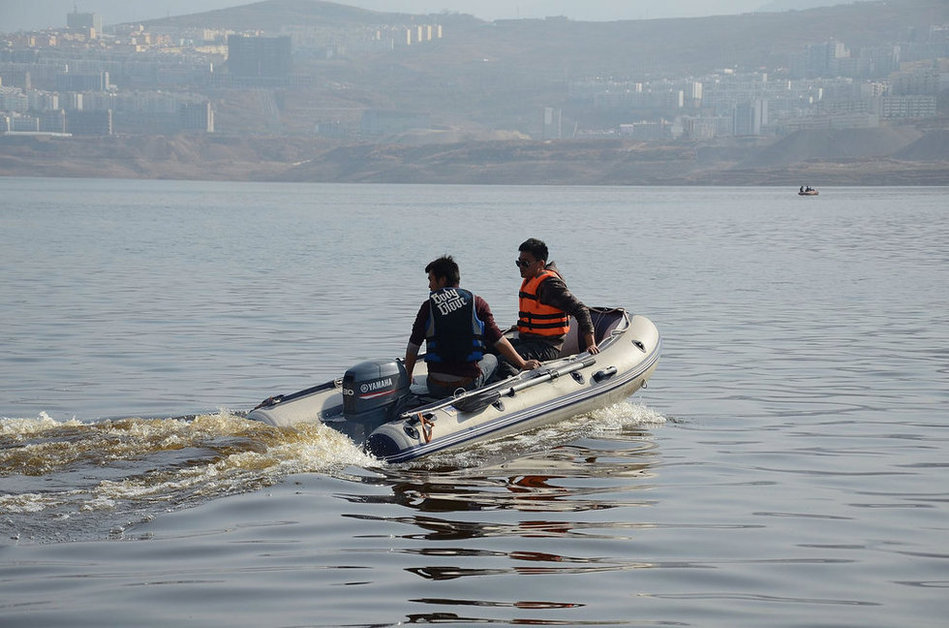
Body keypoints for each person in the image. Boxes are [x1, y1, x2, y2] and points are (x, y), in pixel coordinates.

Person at [404, 255, 540, 398]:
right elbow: (498, 340)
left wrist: (408, 376)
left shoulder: (428, 306)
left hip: (436, 386)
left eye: (431, 280)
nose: (429, 285)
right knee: (492, 358)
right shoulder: (478, 303)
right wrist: (523, 363)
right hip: (467, 384)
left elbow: (413, 346)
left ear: (442, 279)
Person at [501, 238, 599, 375]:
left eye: (525, 263)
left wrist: (590, 344)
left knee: (504, 359)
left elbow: (581, 310)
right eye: (519, 263)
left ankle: (515, 385)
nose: (521, 267)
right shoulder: (532, 279)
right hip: (528, 340)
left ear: (540, 263)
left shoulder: (549, 285)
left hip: (546, 346)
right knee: (490, 348)